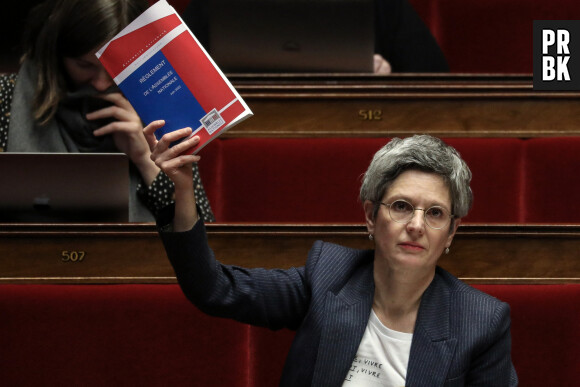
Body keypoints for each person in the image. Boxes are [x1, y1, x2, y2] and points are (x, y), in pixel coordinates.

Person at [144, 126, 517, 385]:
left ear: (451, 231)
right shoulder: (327, 276)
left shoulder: (480, 321)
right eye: (402, 206)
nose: (417, 225)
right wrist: (182, 189)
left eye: (435, 213)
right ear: (371, 216)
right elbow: (214, 289)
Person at [0, 0, 214, 222]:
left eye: (116, 69)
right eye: (84, 66)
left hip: (132, 255)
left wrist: (144, 158)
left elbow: (202, 236)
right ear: (56, 54)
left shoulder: (158, 107)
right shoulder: (6, 97)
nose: (102, 84)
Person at [181, 0, 449, 74]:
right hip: (250, 122)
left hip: (352, 119)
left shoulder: (383, 4)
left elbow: (435, 80)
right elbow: (179, 68)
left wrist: (388, 79)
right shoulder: (215, 4)